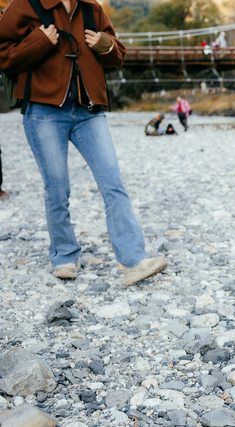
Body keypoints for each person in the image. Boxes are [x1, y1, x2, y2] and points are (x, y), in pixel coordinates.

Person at [0, 0, 167, 284]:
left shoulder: (92, 9)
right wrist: (39, 42)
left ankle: (134, 260)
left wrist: (105, 45)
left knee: (113, 182)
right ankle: (64, 256)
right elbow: (3, 56)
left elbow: (117, 56)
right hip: (43, 112)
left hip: (89, 111)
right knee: (57, 188)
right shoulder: (24, 5)